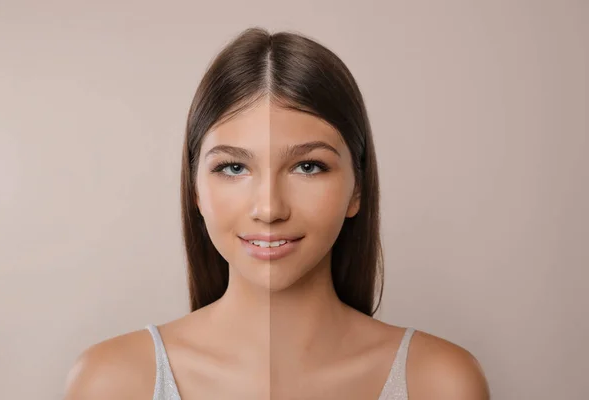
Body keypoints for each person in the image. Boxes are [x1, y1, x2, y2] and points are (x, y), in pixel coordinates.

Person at [63, 27, 490, 400]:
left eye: (308, 166)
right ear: (194, 188)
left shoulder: (439, 384)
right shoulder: (111, 383)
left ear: (357, 189)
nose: (269, 209)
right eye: (233, 167)